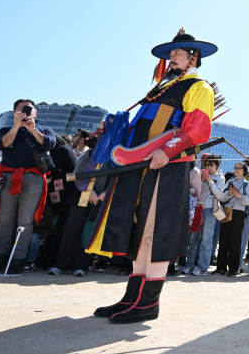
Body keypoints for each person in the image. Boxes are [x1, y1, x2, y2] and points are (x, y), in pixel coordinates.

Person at [87, 28, 216, 323]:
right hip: (141, 165)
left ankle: (148, 303)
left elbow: (196, 129)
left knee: (155, 231)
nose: (171, 58)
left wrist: (168, 151)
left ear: (192, 58)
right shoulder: (161, 87)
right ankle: (132, 298)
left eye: (177, 54)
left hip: (167, 165)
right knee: (140, 230)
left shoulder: (199, 87)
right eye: (170, 55)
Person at [0, 99, 56, 273]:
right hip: (9, 177)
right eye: (19, 109)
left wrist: (32, 130)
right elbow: (2, 144)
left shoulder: (44, 129)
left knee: (25, 220)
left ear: (35, 113)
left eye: (28, 109)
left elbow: (50, 144)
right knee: (5, 218)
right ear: (14, 112)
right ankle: (0, 256)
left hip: (33, 177)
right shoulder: (6, 129)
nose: (24, 111)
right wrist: (16, 126)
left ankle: (18, 258)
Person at [48, 134, 108, 276]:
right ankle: (61, 264)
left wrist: (106, 192)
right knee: (71, 231)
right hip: (82, 197)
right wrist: (89, 191)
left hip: (100, 201)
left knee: (88, 233)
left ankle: (81, 266)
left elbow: (116, 178)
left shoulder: (114, 156)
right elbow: (78, 173)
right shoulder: (89, 154)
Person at [186, 154, 224, 276]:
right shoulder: (200, 175)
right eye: (207, 165)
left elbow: (219, 196)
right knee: (193, 238)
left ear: (217, 165)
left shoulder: (221, 178)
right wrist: (201, 180)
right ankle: (190, 265)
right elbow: (197, 192)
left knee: (206, 239)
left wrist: (210, 181)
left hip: (210, 210)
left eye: (212, 165)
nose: (209, 168)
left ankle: (203, 267)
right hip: (198, 208)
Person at [214, 162, 249, 277]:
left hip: (238, 212)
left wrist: (239, 195)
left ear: (244, 171)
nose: (237, 170)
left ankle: (233, 269)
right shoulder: (229, 182)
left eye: (240, 168)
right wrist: (230, 193)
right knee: (223, 239)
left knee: (235, 240)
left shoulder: (247, 184)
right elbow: (222, 197)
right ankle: (221, 268)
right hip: (227, 211)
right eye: (235, 167)